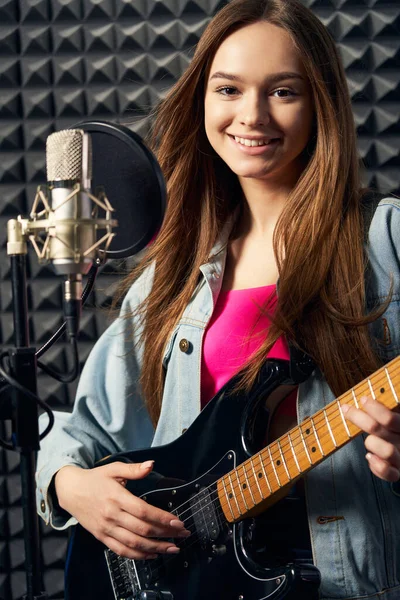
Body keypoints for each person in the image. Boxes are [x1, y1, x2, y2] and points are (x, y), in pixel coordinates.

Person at [36, 1, 400, 599]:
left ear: (322, 105)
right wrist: (73, 486)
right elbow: (81, 430)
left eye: (283, 91)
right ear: (202, 99)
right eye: (228, 89)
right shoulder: (173, 277)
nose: (251, 115)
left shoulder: (382, 240)